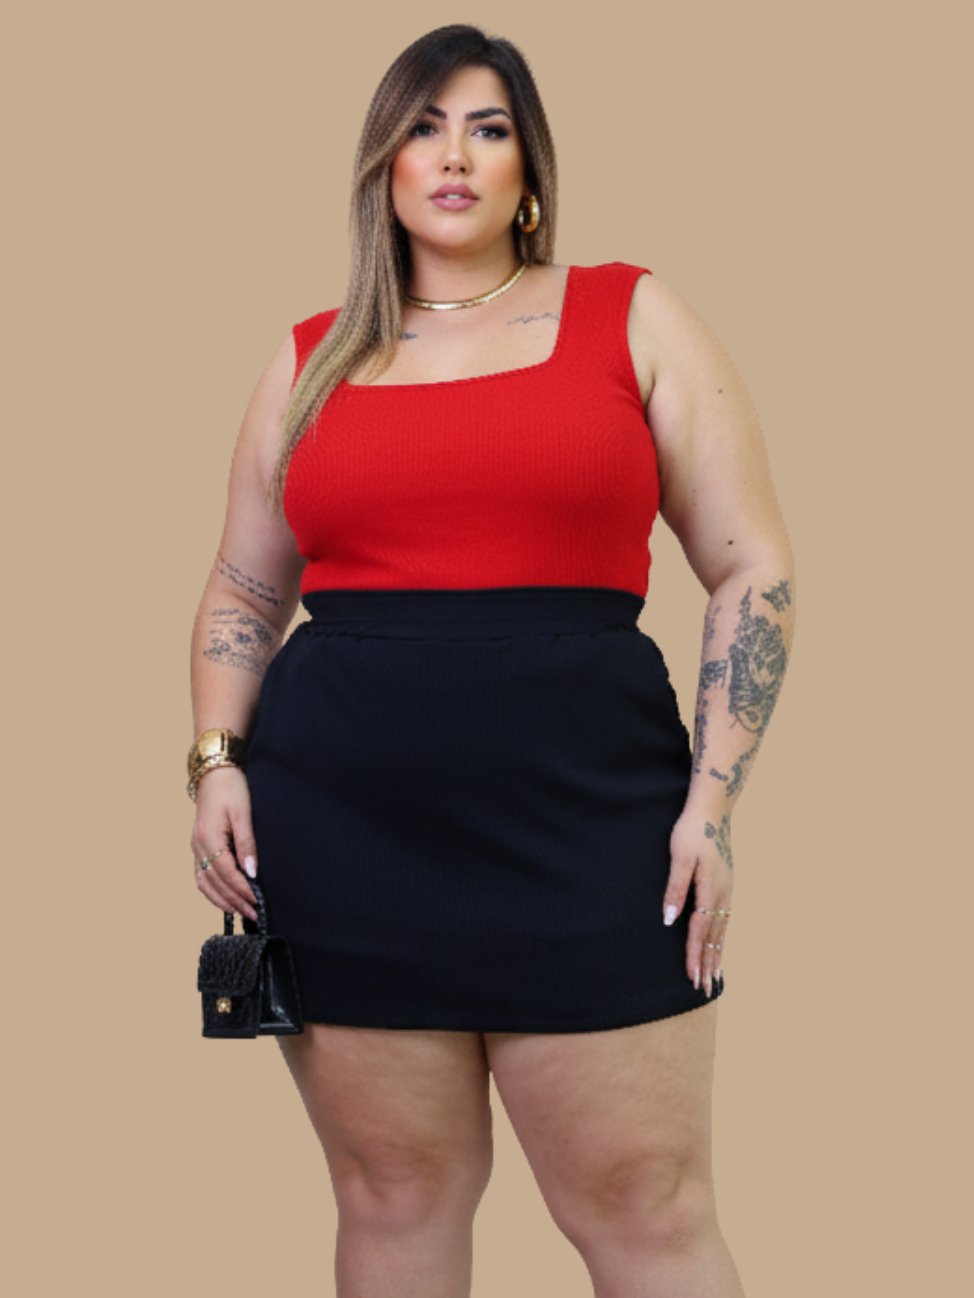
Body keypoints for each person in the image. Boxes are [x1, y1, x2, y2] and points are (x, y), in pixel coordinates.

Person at [188, 23, 795, 1298]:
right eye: (422, 128)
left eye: (486, 127)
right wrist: (214, 762)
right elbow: (244, 585)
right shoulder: (308, 356)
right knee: (392, 1194)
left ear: (529, 168)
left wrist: (712, 805)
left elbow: (751, 569)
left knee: (646, 1201)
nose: (453, 155)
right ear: (383, 167)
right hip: (341, 829)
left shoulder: (631, 314)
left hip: (591, 822)